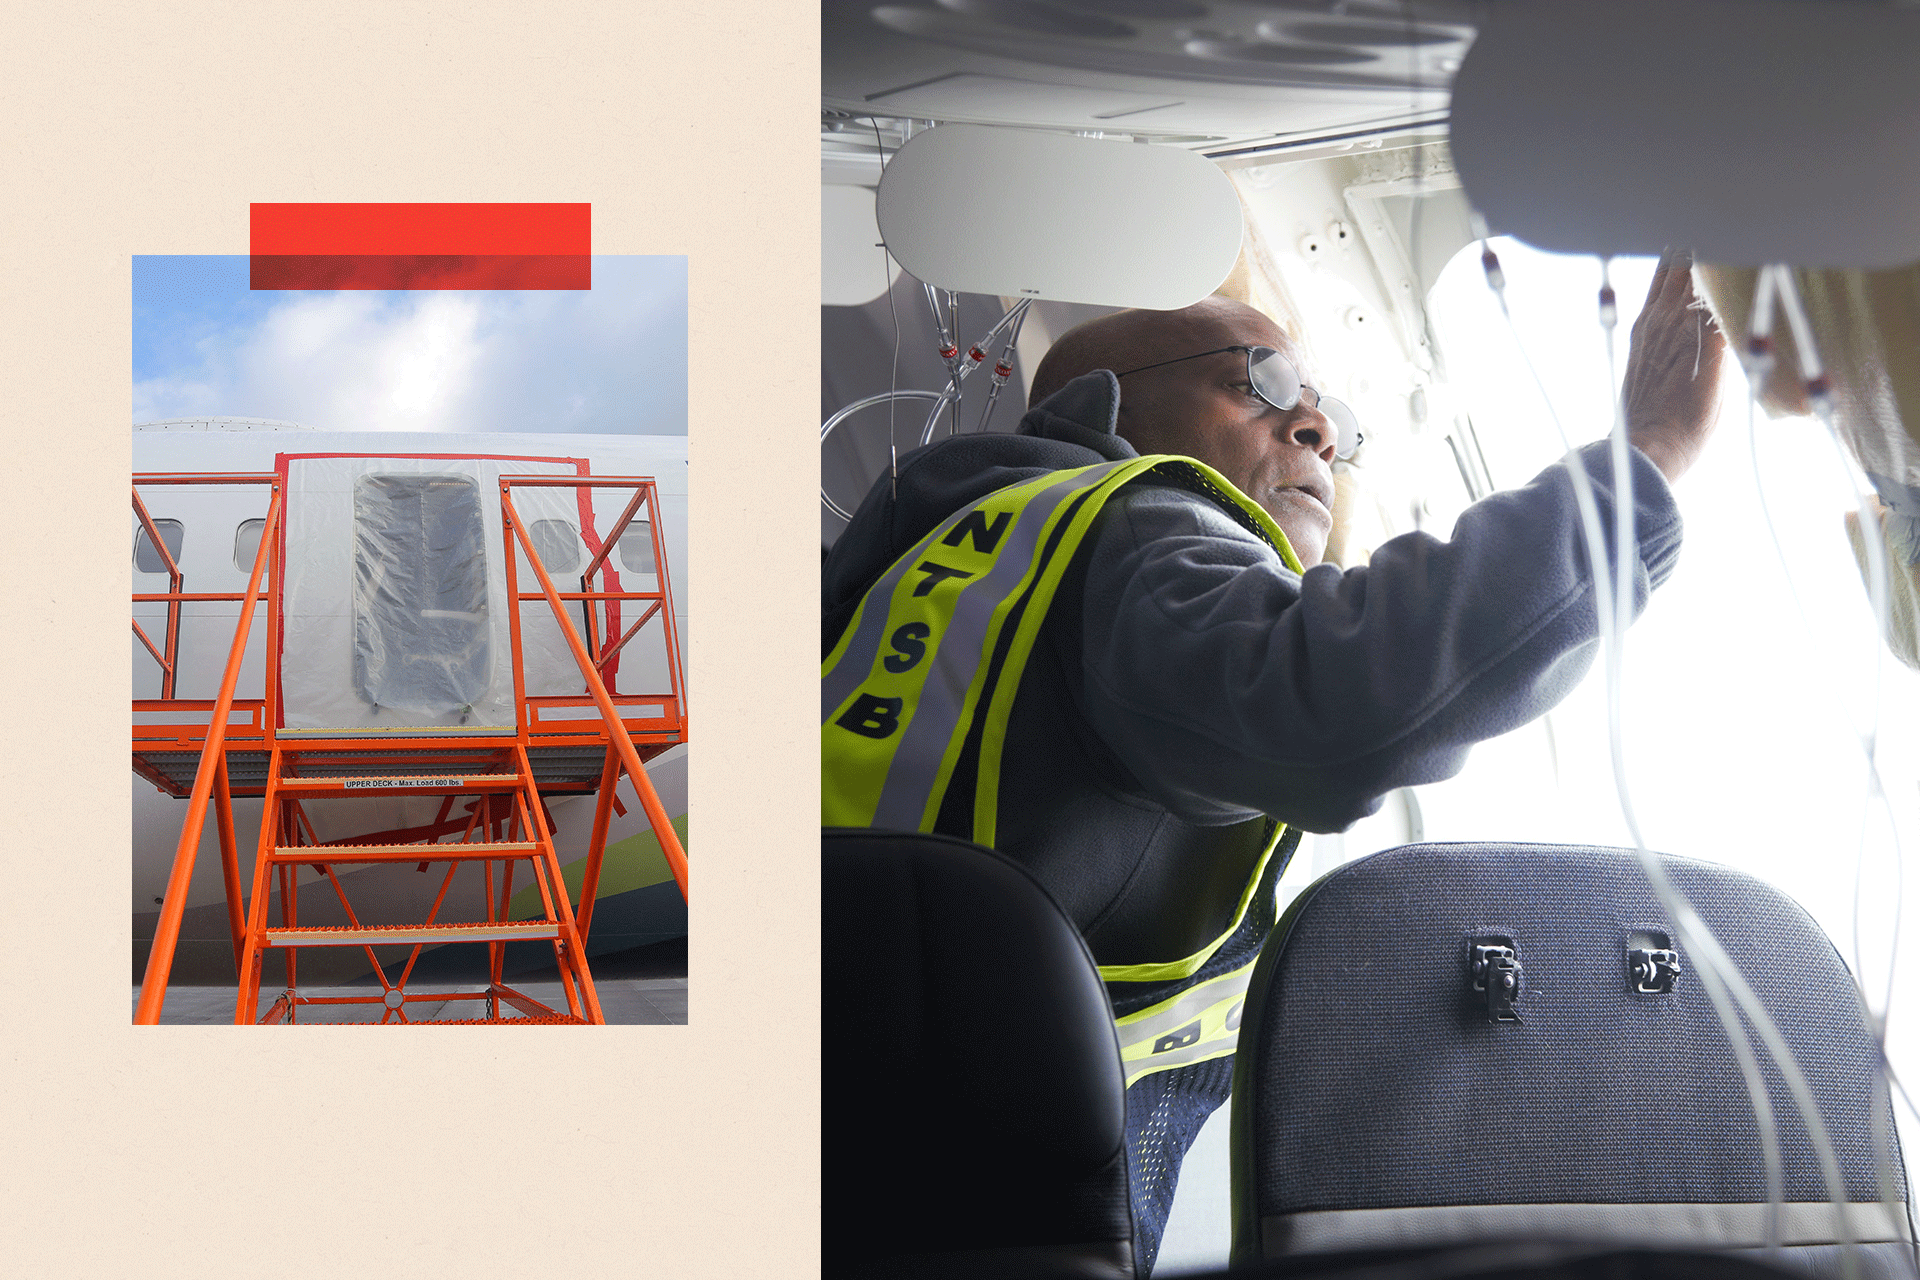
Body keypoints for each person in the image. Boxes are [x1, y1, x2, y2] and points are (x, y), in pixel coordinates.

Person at [822, 256, 1725, 1270]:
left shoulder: (930, 561)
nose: (1319, 429)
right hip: (958, 1207)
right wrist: (1638, 465)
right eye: (1268, 382)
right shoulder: (1134, 531)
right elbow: (1339, 693)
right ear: (1100, 406)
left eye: (1331, 411)